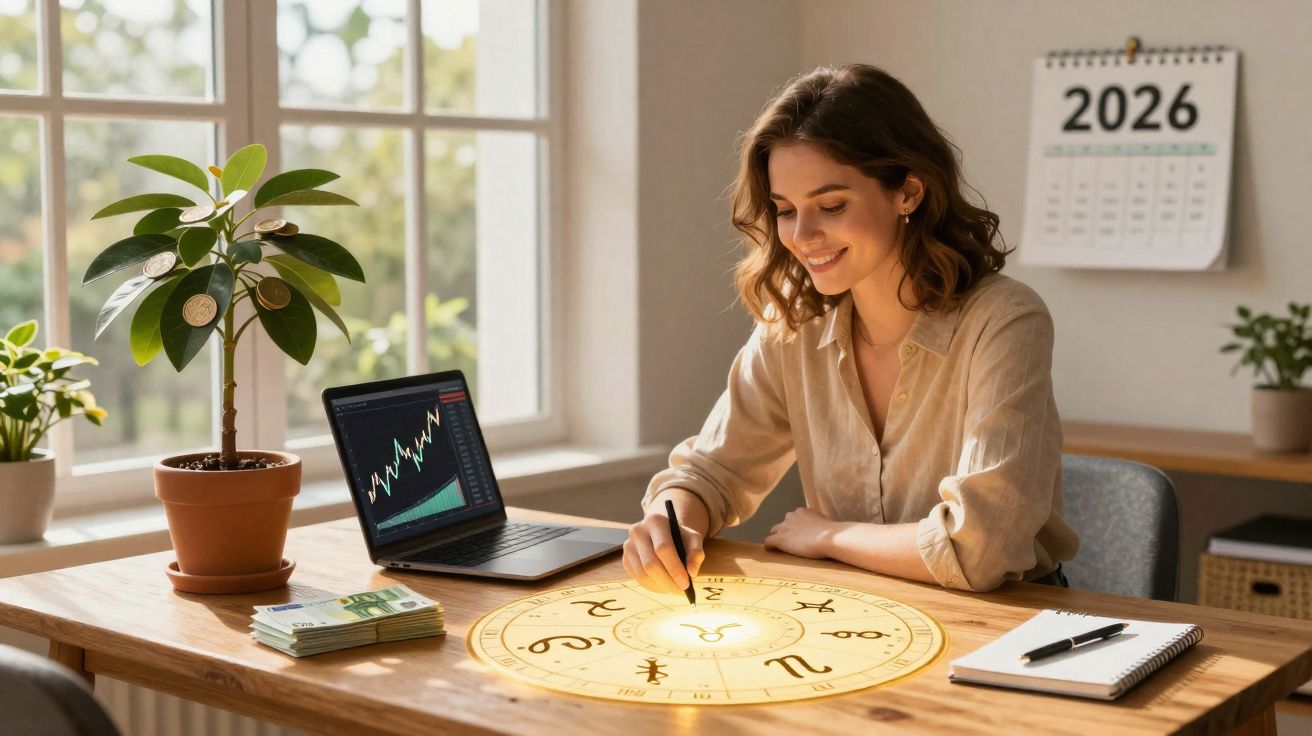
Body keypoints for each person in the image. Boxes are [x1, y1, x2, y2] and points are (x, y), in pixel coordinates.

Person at [623, 63, 1079, 595]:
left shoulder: (1004, 321)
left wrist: (832, 536)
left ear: (908, 191)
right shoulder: (792, 325)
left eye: (832, 205)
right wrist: (672, 517)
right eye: (785, 210)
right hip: (854, 614)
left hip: (1005, 619)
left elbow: (980, 548)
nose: (803, 235)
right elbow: (712, 473)